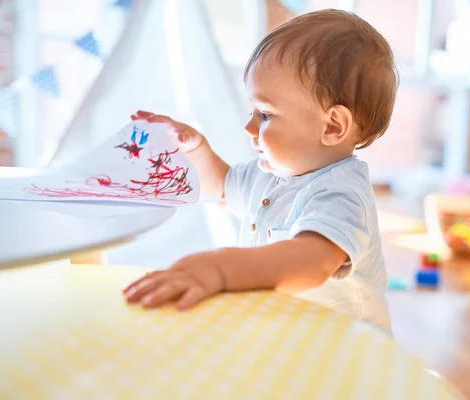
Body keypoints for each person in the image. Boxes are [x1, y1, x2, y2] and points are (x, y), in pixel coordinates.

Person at [123, 9, 398, 331]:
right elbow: (223, 188)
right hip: (288, 334)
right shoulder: (272, 174)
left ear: (333, 126)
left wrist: (219, 268)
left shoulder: (342, 193)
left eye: (265, 115)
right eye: (252, 111)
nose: (249, 127)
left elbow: (312, 260)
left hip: (347, 352)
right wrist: (195, 148)